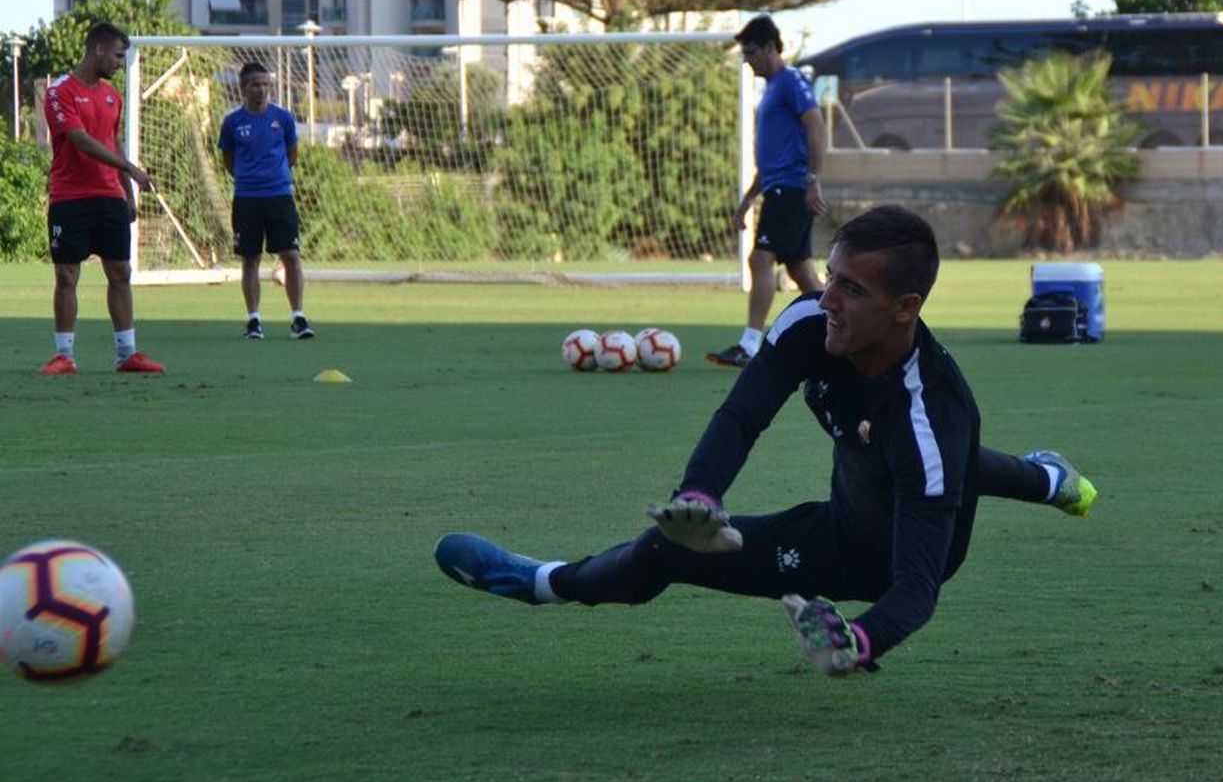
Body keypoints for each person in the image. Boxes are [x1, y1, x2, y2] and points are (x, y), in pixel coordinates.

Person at [436, 206, 1099, 676]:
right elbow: (741, 415)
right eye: (831, 275)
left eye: (852, 288)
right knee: (673, 542)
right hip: (843, 516)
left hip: (883, 558)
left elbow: (918, 587)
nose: (826, 296)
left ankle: (1046, 479)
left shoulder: (932, 412)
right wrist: (700, 497)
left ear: (906, 307)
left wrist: (859, 639)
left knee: (925, 462)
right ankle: (542, 582)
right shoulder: (813, 323)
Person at [40, 22, 164, 376]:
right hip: (69, 196)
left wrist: (126, 190)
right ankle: (64, 355)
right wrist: (131, 168)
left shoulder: (112, 95)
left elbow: (113, 141)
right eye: (117, 55)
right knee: (66, 275)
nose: (119, 63)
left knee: (121, 273)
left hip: (109, 195)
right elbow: (79, 140)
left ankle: (128, 354)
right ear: (97, 50)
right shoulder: (59, 91)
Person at [706, 14, 828, 368]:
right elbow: (770, 157)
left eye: (752, 51)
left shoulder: (791, 82)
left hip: (791, 189)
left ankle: (750, 344)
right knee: (801, 272)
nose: (747, 60)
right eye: (744, 53)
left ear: (773, 47)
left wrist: (813, 179)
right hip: (778, 186)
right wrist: (747, 199)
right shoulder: (772, 90)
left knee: (760, 259)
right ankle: (844, 333)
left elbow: (816, 126)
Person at [218, 61, 314, 340]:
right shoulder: (233, 122)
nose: (261, 90)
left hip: (279, 196)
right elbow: (227, 158)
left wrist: (276, 176)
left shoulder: (282, 118)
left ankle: (298, 317)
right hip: (247, 198)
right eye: (255, 85)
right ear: (242, 88)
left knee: (291, 256)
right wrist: (247, 177)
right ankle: (253, 320)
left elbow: (292, 154)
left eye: (265, 84)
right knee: (251, 258)